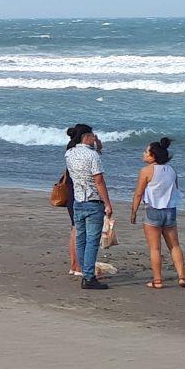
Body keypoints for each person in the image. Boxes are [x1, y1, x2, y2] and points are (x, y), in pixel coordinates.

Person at [131, 137, 185, 289]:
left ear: (153, 156)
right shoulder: (172, 170)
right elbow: (175, 189)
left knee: (155, 248)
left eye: (146, 152)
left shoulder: (146, 171)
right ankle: (182, 276)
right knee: (174, 245)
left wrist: (134, 211)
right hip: (170, 210)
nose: (144, 154)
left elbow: (138, 193)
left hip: (153, 210)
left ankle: (157, 280)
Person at [65, 124, 114, 290]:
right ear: (86, 136)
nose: (95, 137)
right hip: (93, 201)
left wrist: (97, 148)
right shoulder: (92, 155)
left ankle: (83, 270)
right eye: (93, 135)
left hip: (78, 200)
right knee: (92, 241)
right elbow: (99, 180)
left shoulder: (69, 153)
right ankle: (88, 276)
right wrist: (107, 203)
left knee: (81, 239)